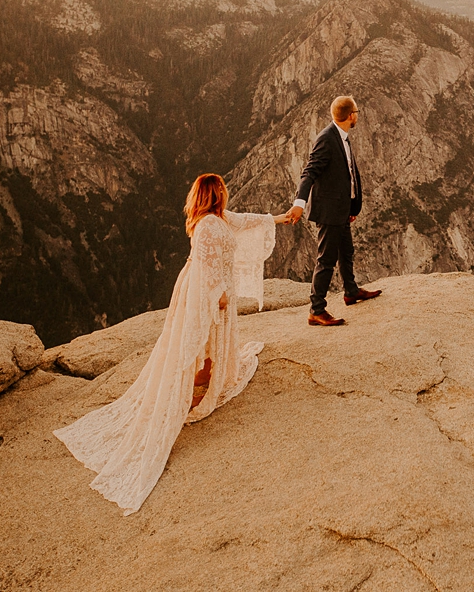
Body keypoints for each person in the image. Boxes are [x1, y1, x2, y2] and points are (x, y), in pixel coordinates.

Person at [54, 174, 290, 515]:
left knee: (210, 339)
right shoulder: (208, 225)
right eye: (221, 189)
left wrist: (279, 218)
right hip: (205, 290)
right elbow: (208, 268)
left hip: (213, 287)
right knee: (199, 337)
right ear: (213, 195)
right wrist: (220, 296)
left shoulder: (220, 217)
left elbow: (246, 221)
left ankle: (205, 379)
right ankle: (190, 388)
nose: (226, 192)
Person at [286, 95, 381, 326]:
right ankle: (316, 310)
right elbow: (309, 172)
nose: (358, 115)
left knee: (346, 251)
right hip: (329, 212)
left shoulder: (343, 137)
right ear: (351, 116)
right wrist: (299, 203)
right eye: (357, 112)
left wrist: (351, 205)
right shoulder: (327, 139)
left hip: (340, 209)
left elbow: (347, 175)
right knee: (326, 260)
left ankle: (351, 291)